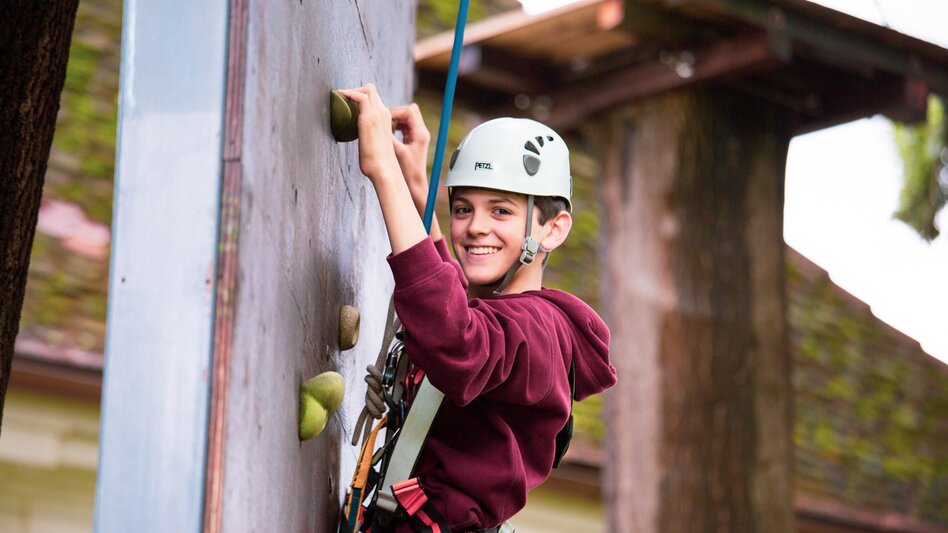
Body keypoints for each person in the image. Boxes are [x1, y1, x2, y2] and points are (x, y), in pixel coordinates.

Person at [337, 85, 616, 533]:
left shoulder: (542, 330)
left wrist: (383, 173)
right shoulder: (506, 317)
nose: (474, 227)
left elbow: (457, 341)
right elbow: (457, 307)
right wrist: (415, 189)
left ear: (553, 229)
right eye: (463, 208)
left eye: (501, 211)